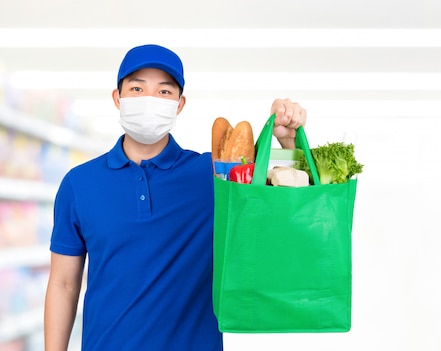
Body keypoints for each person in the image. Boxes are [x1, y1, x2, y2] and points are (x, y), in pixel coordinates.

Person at [44, 44, 307, 351]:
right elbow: (63, 283)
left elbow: (287, 210)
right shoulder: (80, 183)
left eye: (164, 92)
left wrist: (287, 141)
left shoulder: (214, 177)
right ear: (118, 98)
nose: (149, 100)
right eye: (137, 88)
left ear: (180, 104)